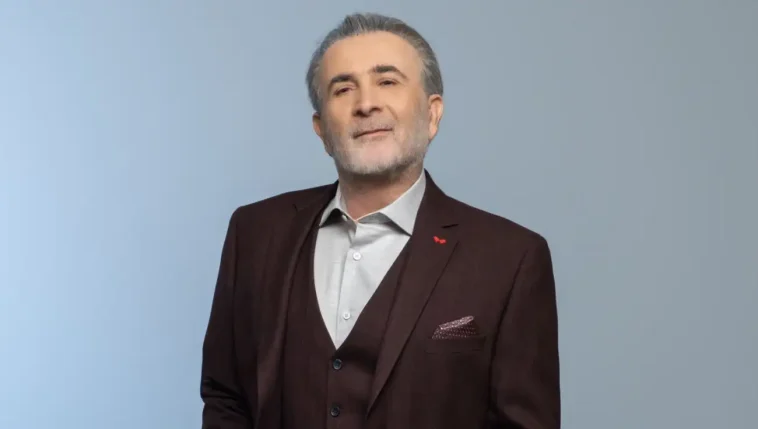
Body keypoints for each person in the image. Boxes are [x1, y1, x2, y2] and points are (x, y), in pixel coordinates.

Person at [200, 12, 560, 429]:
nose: (366, 104)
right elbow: (225, 397)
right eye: (343, 88)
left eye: (387, 81)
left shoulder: (510, 259)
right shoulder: (255, 233)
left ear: (432, 114)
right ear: (321, 129)